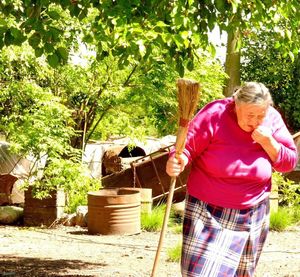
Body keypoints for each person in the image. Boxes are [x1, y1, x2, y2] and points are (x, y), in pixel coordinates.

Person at [166, 82, 298, 277]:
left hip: (254, 211)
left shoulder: (272, 119)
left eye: (260, 116)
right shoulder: (216, 113)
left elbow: (288, 162)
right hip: (208, 211)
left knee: (241, 274)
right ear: (235, 104)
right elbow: (187, 147)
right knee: (200, 274)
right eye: (249, 116)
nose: (255, 121)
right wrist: (178, 161)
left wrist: (268, 142)